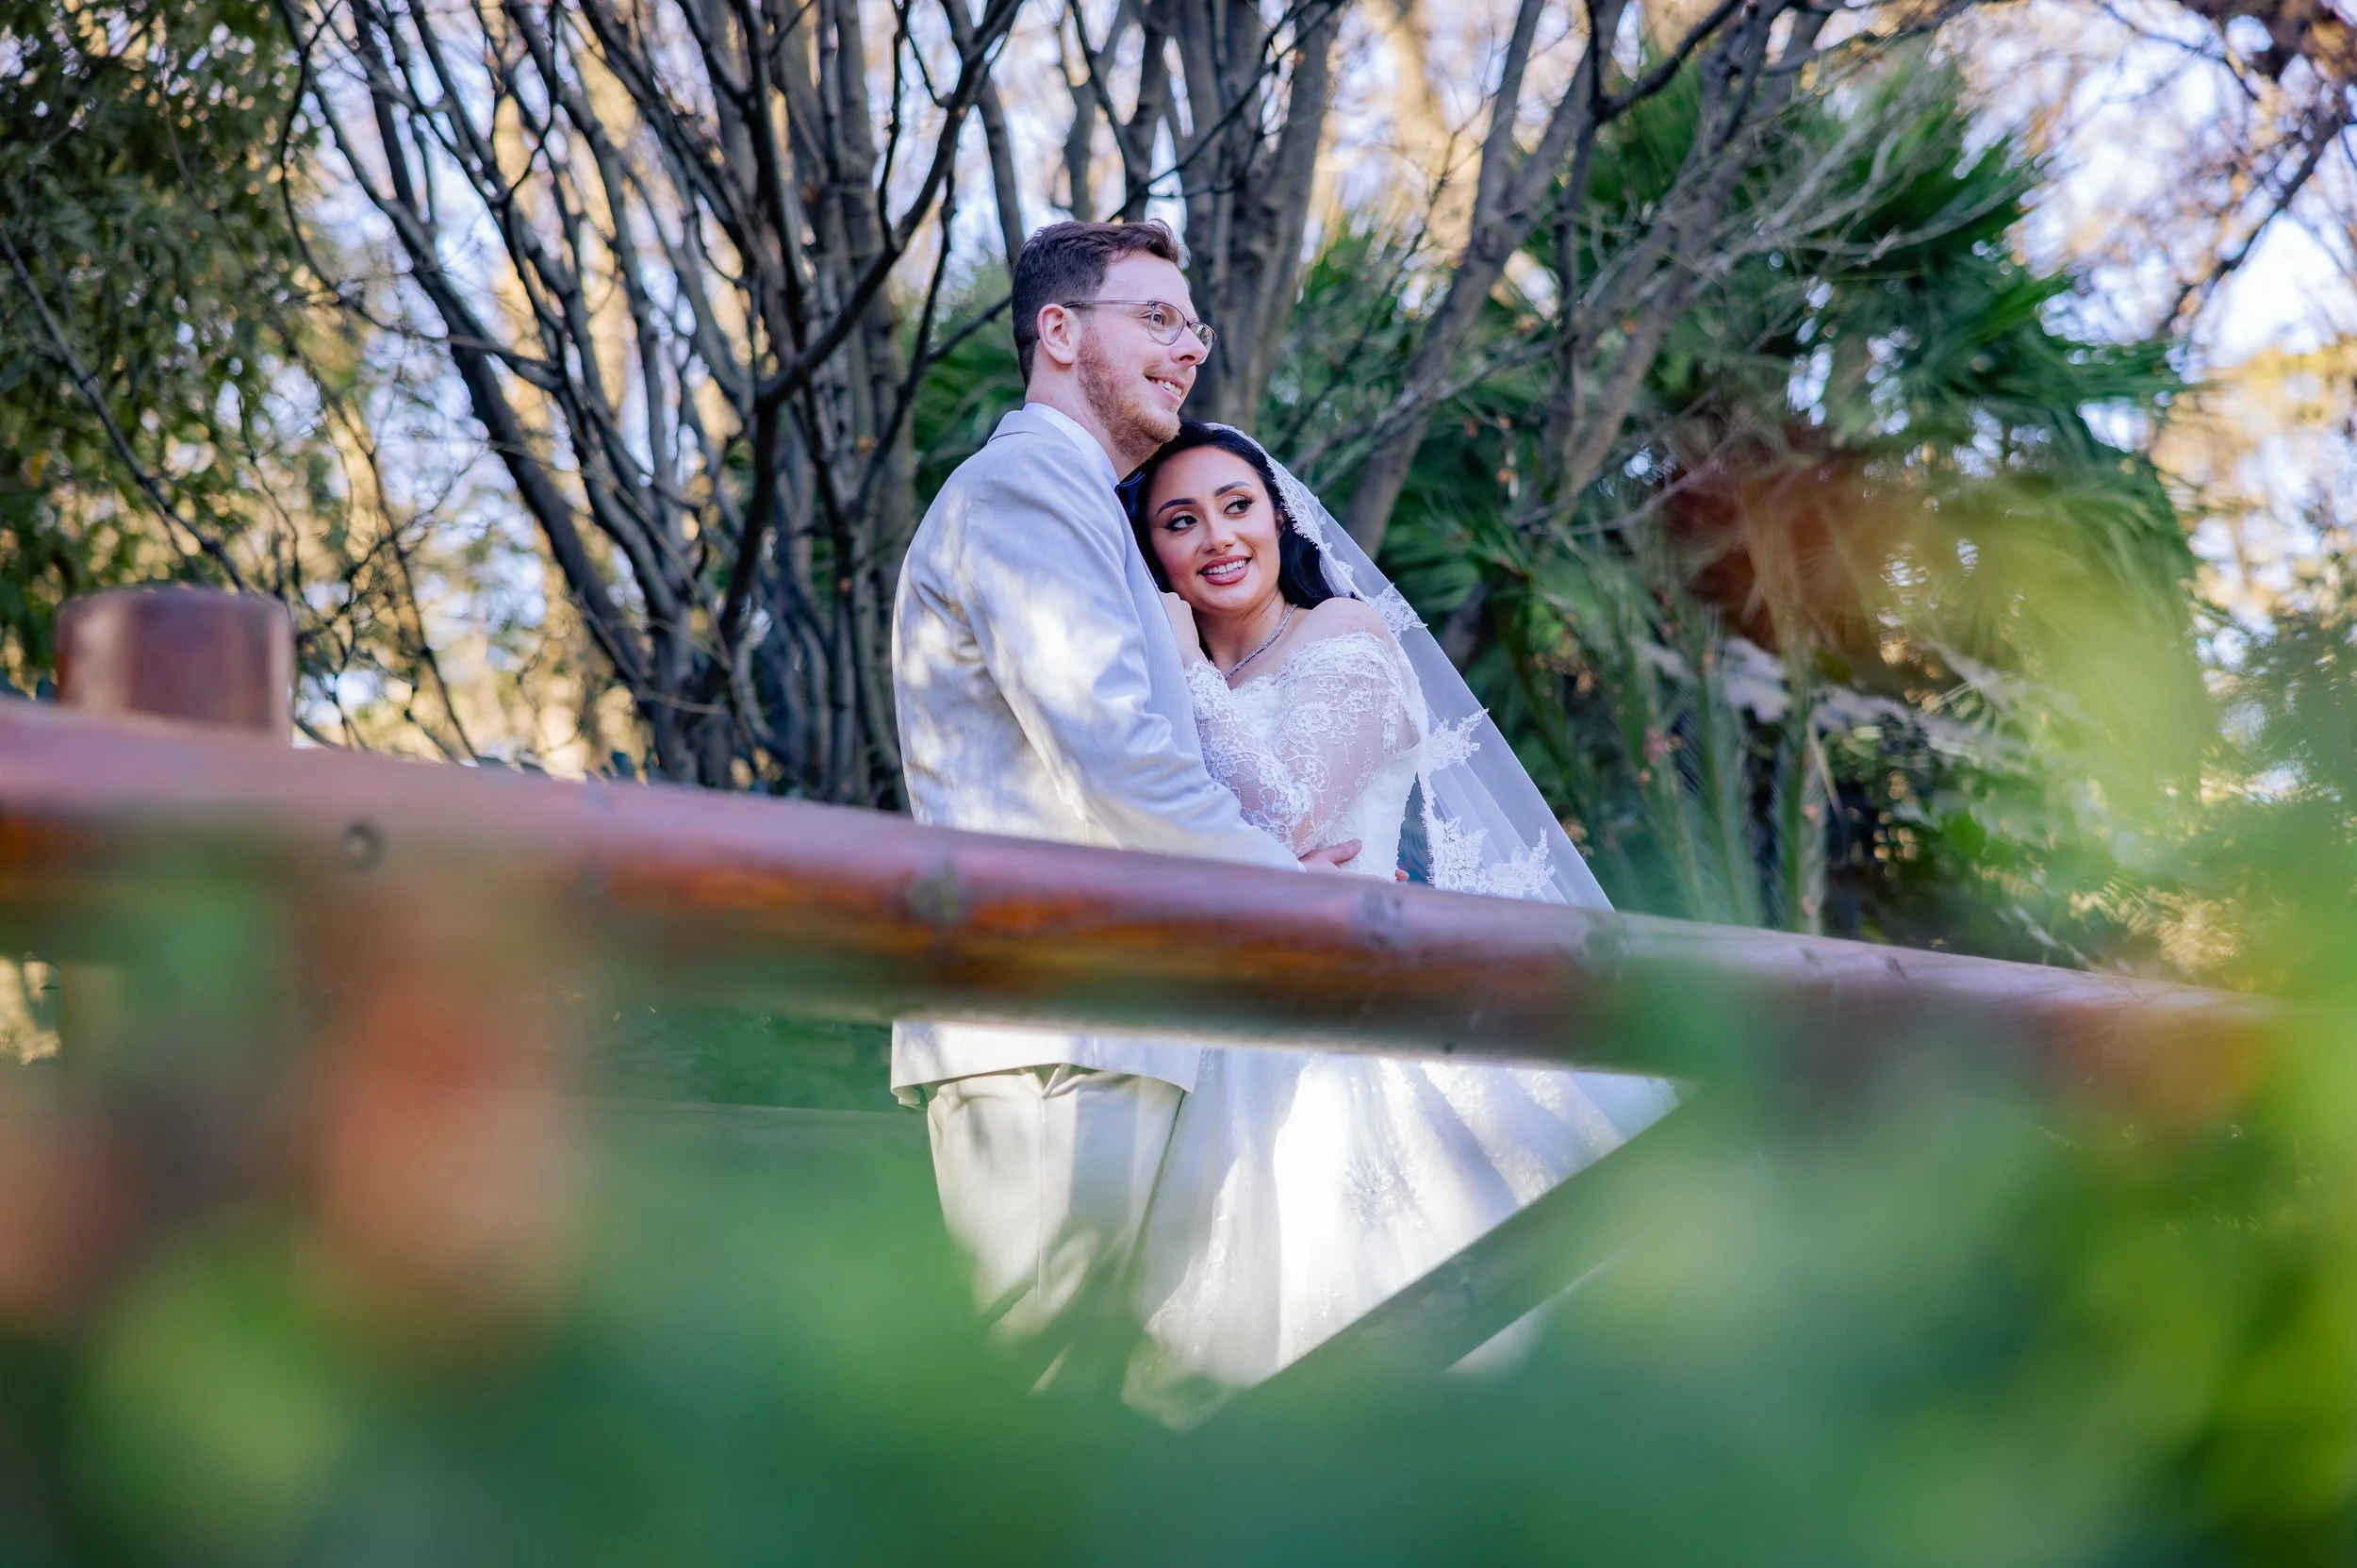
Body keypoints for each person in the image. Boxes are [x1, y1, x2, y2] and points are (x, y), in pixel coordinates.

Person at [1121, 421, 1679, 1425]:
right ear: (1151, 551)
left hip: (1363, 1016)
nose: (1216, 537)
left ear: (1278, 517)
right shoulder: (1155, 690)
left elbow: (1291, 810)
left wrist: (1186, 674)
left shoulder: (1342, 636)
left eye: (1236, 506)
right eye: (1180, 520)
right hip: (1213, 1029)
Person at [888, 222, 1363, 1380]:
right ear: (1058, 332)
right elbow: (1117, 756)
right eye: (1155, 319)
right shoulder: (1021, 488)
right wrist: (1281, 890)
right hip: (1048, 1024)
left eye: (1190, 327)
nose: (1185, 349)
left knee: (1089, 1414)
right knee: (1034, 1397)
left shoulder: (1081, 503)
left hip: (1111, 1022)